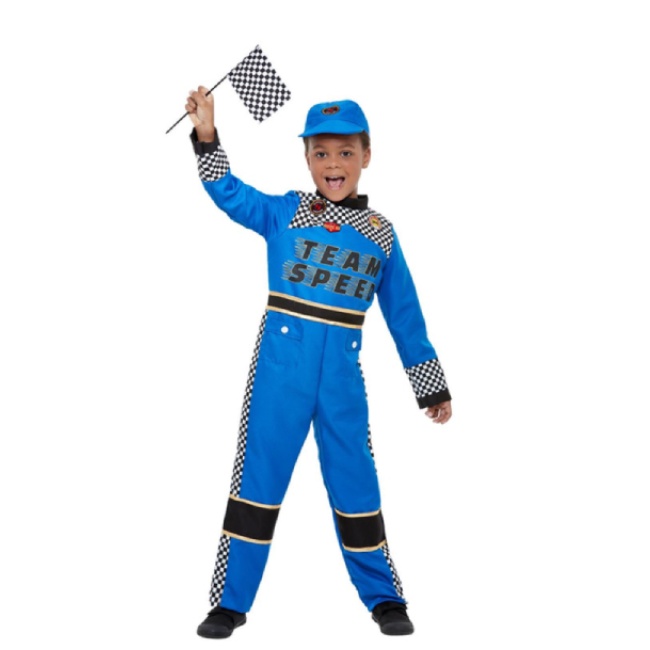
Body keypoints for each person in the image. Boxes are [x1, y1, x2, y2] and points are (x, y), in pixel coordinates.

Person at [185, 86, 452, 638]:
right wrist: (207, 134)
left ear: (366, 156)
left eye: (346, 152)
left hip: (342, 383)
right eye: (322, 152)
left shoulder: (380, 235)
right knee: (257, 484)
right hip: (279, 375)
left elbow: (405, 315)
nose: (334, 164)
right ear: (306, 158)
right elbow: (228, 192)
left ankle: (384, 598)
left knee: (357, 483)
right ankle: (229, 604)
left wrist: (430, 387)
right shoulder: (283, 213)